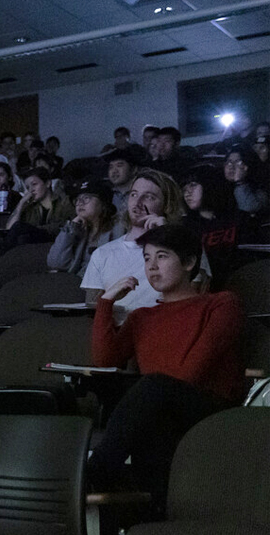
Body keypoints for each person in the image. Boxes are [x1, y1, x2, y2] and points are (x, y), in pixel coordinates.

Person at [86, 225, 243, 511]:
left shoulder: (221, 304)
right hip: (160, 412)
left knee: (153, 387)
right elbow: (105, 360)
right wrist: (106, 302)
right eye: (146, 259)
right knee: (149, 419)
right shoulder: (141, 317)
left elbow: (191, 374)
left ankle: (95, 472)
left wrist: (152, 396)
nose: (152, 266)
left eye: (162, 256)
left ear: (189, 262)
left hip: (211, 409)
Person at [81, 169, 209, 325]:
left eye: (149, 197)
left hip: (166, 331)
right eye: (133, 194)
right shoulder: (102, 253)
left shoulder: (187, 245)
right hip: (117, 335)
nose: (138, 202)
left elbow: (193, 298)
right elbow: (92, 310)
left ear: (166, 205)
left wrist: (168, 237)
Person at [182, 165, 255, 287]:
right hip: (206, 289)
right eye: (184, 188)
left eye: (193, 185)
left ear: (210, 185)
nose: (187, 193)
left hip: (244, 284)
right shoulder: (185, 226)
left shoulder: (240, 218)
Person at [47, 182, 125, 277]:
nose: (80, 203)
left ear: (103, 203)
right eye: (77, 199)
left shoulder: (118, 229)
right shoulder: (76, 229)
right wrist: (70, 228)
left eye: (87, 198)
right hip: (76, 284)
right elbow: (55, 263)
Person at [3, 167, 74, 248]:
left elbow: (69, 225)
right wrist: (21, 203)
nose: (31, 190)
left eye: (34, 184)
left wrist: (37, 229)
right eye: (28, 187)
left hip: (56, 244)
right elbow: (9, 228)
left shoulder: (64, 202)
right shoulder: (30, 207)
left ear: (48, 183)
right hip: (33, 247)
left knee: (21, 230)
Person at [223, 144, 269, 215]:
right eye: (229, 162)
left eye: (238, 162)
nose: (231, 166)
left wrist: (239, 182)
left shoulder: (260, 191)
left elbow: (249, 208)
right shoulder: (219, 187)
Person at [104, 148, 139, 215]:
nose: (114, 171)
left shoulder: (141, 193)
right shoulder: (106, 195)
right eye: (111, 167)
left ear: (134, 169)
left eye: (119, 166)